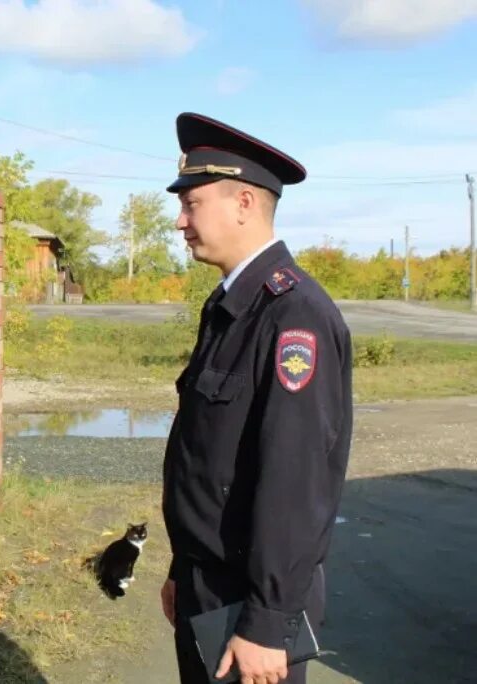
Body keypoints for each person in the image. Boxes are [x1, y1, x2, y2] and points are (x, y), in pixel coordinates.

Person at [159, 113, 353, 684]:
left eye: (191, 204)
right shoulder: (230, 307)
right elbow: (208, 460)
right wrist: (182, 567)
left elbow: (297, 482)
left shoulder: (294, 317)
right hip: (206, 585)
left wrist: (268, 622)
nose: (179, 221)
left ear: (244, 202)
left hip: (247, 606)